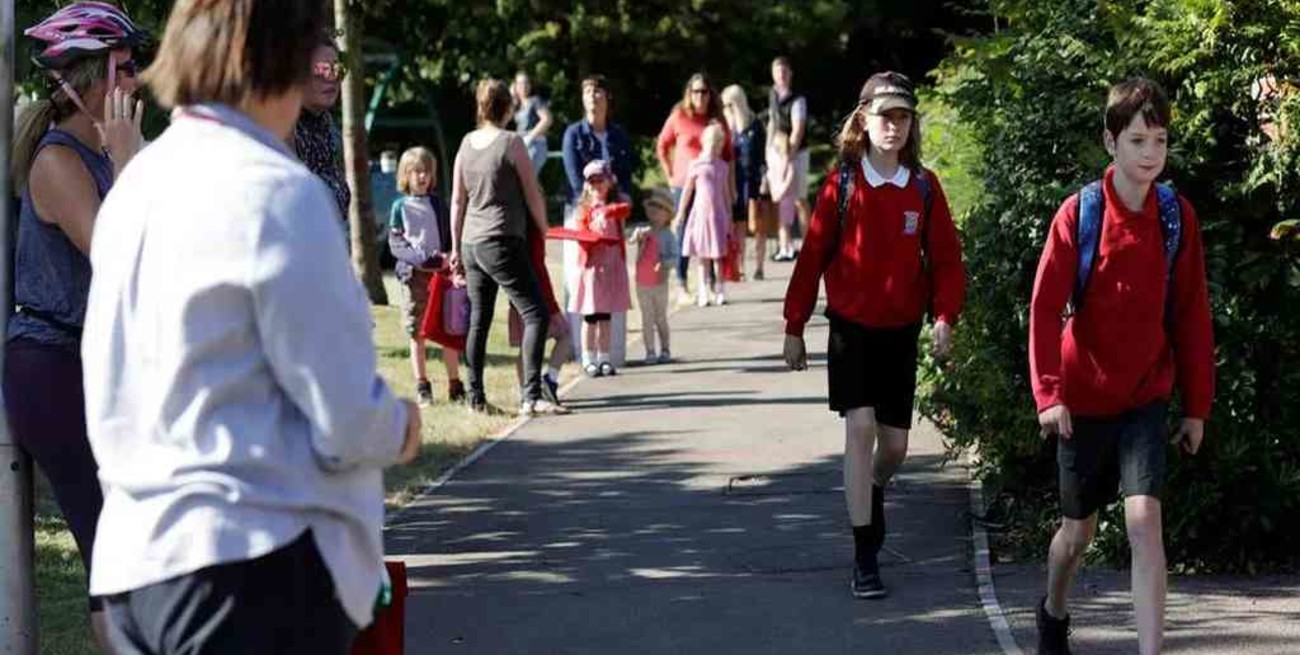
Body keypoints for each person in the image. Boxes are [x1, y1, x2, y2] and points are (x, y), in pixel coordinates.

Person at [79, 1, 424, 651]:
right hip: (248, 563)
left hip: (134, 562)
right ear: (282, 62)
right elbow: (345, 414)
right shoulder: (279, 191)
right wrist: (401, 424)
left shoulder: (134, 186)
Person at [1029, 78, 1215, 655]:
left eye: (1159, 140)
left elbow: (1191, 315)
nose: (1151, 153)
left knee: (1144, 523)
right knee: (1076, 535)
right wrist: (1049, 394)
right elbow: (1041, 309)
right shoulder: (1079, 214)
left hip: (1144, 396)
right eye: (1137, 140)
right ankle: (1054, 610)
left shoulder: (1176, 217)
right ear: (1110, 143)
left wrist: (1197, 407)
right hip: (1081, 400)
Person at [782, 72, 966, 600]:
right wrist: (794, 326)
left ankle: (876, 487)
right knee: (859, 428)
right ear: (863, 120)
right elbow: (812, 255)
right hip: (851, 329)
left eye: (903, 116)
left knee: (896, 447)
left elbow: (947, 262)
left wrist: (944, 317)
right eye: (884, 115)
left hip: (901, 331)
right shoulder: (842, 184)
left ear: (911, 124)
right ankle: (865, 554)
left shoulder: (925, 187)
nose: (893, 125)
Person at [5, 2, 147, 644]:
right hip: (54, 369)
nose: (136, 81)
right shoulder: (58, 162)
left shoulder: (103, 157)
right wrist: (127, 161)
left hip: (98, 364)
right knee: (114, 548)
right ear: (83, 81)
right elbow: (118, 255)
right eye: (123, 67)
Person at [450, 78, 565, 416]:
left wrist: (454, 246)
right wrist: (545, 230)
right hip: (502, 239)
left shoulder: (466, 143)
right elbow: (532, 193)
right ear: (508, 108)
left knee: (479, 322)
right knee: (536, 313)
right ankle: (531, 395)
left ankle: (475, 397)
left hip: (472, 242)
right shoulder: (512, 143)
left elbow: (458, 200)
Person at [388, 146, 464, 405]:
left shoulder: (438, 205)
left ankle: (455, 385)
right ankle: (422, 385)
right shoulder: (399, 206)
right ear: (405, 175)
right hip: (413, 278)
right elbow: (396, 244)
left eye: (426, 172)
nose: (422, 177)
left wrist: (451, 258)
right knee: (416, 332)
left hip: (440, 277)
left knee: (448, 329)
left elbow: (450, 236)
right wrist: (423, 260)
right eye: (416, 172)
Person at [656, 73, 735, 301]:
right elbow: (662, 145)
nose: (700, 96)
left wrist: (731, 188)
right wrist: (670, 173)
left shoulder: (717, 120)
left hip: (712, 187)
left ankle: (710, 284)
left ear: (711, 95)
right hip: (684, 184)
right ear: (689, 94)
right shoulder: (679, 116)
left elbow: (729, 156)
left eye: (704, 91)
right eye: (696, 91)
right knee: (685, 234)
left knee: (710, 234)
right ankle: (682, 283)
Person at [568, 160, 632, 376]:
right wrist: (592, 235)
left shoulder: (615, 207)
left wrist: (606, 212)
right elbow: (580, 236)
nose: (596, 185)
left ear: (609, 182)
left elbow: (624, 209)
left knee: (606, 317)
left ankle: (605, 357)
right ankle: (588, 358)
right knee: (590, 317)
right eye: (592, 181)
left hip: (611, 268)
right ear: (586, 185)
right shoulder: (583, 210)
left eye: (600, 180)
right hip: (591, 269)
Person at [506, 225, 572, 409]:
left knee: (525, 346)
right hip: (537, 295)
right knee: (565, 335)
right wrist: (549, 301)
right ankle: (549, 380)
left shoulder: (511, 230)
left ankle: (525, 392)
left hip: (517, 293)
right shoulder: (531, 233)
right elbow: (538, 267)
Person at [676, 123, 736, 307]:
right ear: (704, 142)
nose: (715, 146)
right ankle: (703, 291)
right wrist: (681, 212)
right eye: (712, 142)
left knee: (718, 256)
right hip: (701, 215)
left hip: (718, 216)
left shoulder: (722, 166)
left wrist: (730, 216)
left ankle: (720, 290)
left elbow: (726, 194)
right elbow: (687, 191)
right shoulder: (695, 165)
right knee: (702, 257)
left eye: (719, 143)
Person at [293, 35, 349, 220]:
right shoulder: (284, 129)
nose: (332, 77)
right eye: (321, 69)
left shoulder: (328, 128)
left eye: (337, 69)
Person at [562, 74, 635, 206]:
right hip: (582, 205)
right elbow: (575, 177)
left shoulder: (619, 134)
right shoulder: (573, 134)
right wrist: (592, 202)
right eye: (587, 92)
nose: (591, 96)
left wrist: (625, 196)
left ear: (608, 96)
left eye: (596, 91)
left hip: (613, 205)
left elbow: (625, 173)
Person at [767, 56, 811, 251]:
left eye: (785, 72)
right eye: (778, 72)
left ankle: (809, 242)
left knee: (800, 198)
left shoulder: (798, 99)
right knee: (780, 198)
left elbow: (798, 130)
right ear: (773, 75)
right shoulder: (773, 95)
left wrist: (788, 157)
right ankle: (785, 245)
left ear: (790, 74)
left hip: (797, 153)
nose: (782, 76)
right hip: (778, 152)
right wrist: (769, 151)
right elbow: (772, 123)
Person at [722, 84, 767, 279]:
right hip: (734, 181)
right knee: (737, 224)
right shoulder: (726, 128)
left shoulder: (755, 124)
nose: (726, 108)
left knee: (757, 225)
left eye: (729, 104)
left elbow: (764, 155)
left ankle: (759, 266)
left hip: (754, 180)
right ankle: (739, 267)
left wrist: (766, 177)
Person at [631, 187, 679, 364]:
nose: (654, 212)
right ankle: (650, 351)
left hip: (660, 283)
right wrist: (637, 237)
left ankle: (665, 349)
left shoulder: (668, 236)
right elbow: (631, 241)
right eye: (651, 208)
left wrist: (664, 264)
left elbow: (675, 258)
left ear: (667, 214)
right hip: (642, 282)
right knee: (646, 318)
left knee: (660, 318)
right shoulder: (643, 231)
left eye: (659, 209)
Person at [513, 71, 553, 178]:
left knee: (527, 180)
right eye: (520, 84)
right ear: (515, 86)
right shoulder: (517, 105)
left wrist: (530, 137)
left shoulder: (535, 101)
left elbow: (547, 119)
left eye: (526, 83)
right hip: (522, 146)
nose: (524, 86)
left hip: (535, 145)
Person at [766, 130, 798, 261]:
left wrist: (779, 193)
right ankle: (789, 247)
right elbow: (771, 176)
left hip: (785, 197)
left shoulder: (788, 162)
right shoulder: (777, 161)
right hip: (778, 195)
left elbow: (789, 180)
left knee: (783, 225)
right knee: (783, 225)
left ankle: (785, 249)